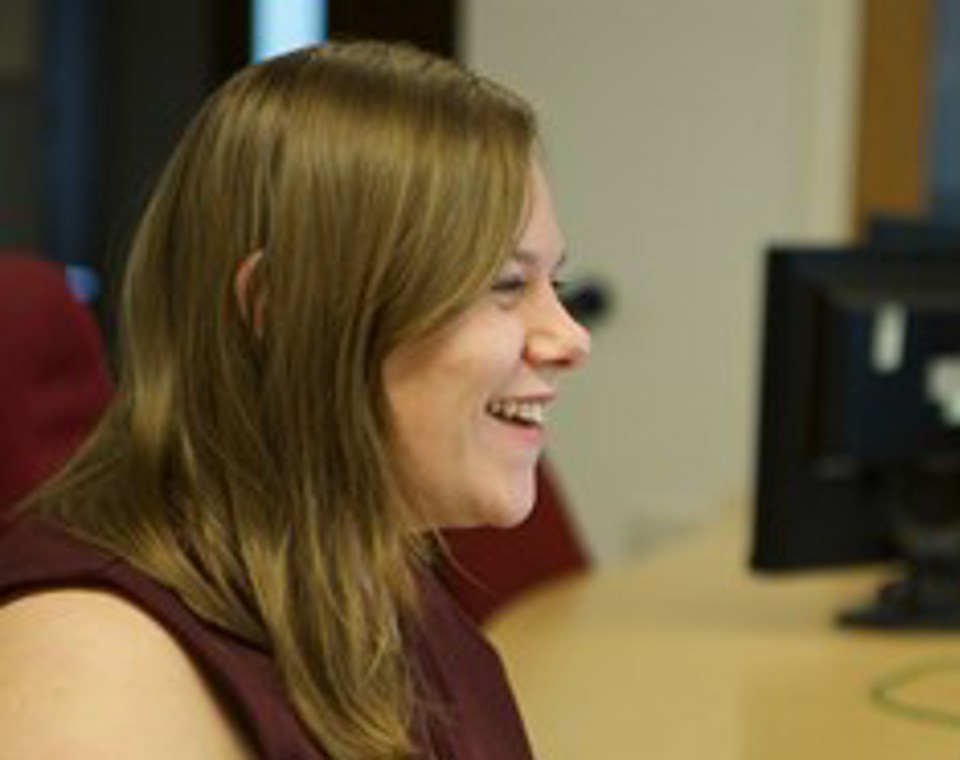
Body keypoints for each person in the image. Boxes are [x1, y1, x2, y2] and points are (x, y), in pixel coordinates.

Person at [0, 40, 589, 758]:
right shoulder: (95, 670)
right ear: (279, 306)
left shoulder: (371, 590)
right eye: (503, 285)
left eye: (551, 285)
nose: (569, 339)